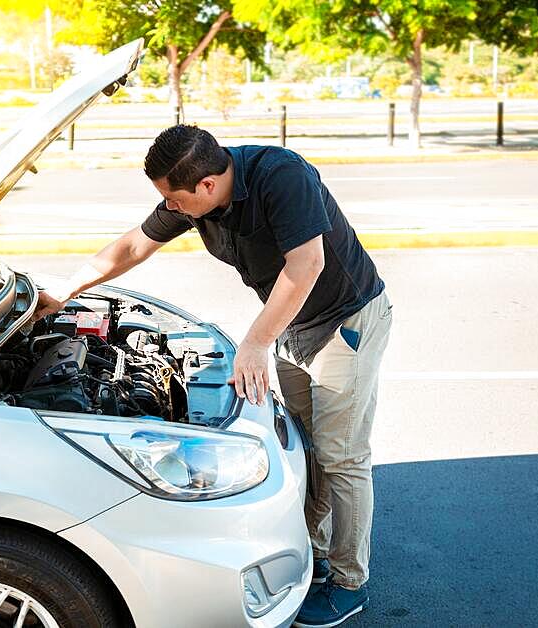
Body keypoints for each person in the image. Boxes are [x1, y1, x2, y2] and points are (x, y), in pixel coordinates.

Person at [34, 125, 392, 627]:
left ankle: (349, 583)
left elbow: (308, 264)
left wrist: (256, 343)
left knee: (342, 456)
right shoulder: (194, 193)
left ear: (206, 185)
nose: (171, 210)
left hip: (344, 324)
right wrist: (66, 290)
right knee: (309, 446)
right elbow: (135, 246)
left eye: (175, 201)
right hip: (290, 322)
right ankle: (314, 552)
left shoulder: (279, 176)